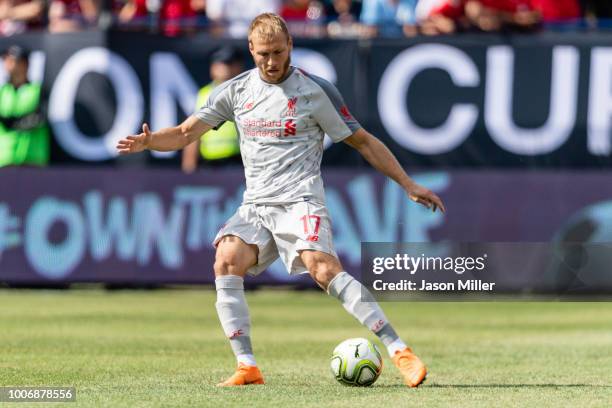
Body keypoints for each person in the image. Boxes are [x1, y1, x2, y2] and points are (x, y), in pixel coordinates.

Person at [116, 13, 445, 388]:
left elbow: (363, 141)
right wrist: (149, 141)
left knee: (322, 269)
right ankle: (247, 366)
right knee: (226, 258)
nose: (272, 62)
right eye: (263, 55)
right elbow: (185, 133)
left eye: (278, 52)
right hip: (256, 205)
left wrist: (406, 183)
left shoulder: (313, 91)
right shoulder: (236, 91)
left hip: (300, 199)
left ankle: (399, 350)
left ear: (290, 46)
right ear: (251, 51)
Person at [182, 46, 244, 173]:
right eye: (221, 63)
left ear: (239, 67)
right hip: (209, 164)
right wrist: (189, 166)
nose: (225, 68)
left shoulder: (246, 92)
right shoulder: (203, 94)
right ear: (212, 68)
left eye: (230, 63)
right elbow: (192, 132)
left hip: (240, 162)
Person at [0, 45, 49, 168]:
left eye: (13, 60)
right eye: (6, 59)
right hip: (5, 161)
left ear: (24, 64)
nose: (8, 63)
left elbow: (40, 118)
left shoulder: (37, 90)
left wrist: (11, 123)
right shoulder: (2, 92)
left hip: (32, 159)